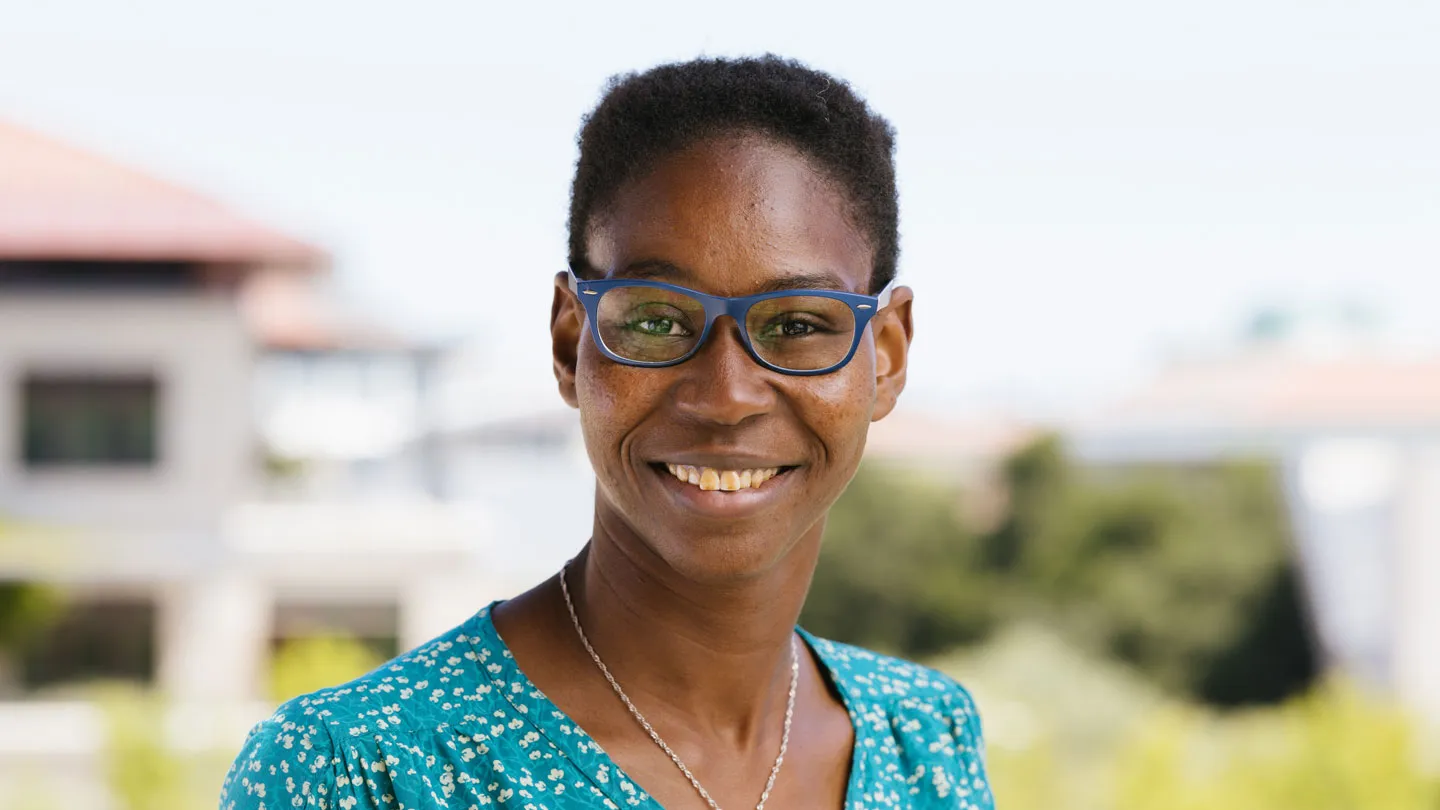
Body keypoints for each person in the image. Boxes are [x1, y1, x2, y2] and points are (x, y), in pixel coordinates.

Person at [220, 55, 994, 810]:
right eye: (656, 320)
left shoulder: (924, 738)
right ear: (569, 343)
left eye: (796, 324)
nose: (726, 397)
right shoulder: (355, 772)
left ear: (885, 359)